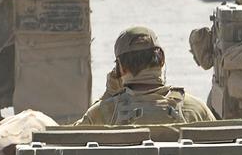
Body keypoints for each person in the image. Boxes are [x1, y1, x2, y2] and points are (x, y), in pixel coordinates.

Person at [79, 27, 215, 126]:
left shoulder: (102, 113)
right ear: (161, 60)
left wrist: (108, 95)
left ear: (121, 68)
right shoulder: (197, 109)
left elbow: (71, 139)